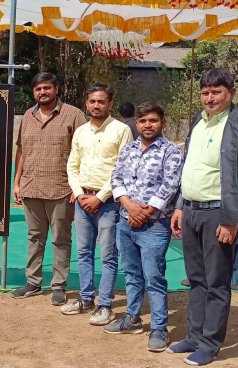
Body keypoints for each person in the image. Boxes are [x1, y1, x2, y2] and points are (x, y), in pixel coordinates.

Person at [168, 68, 238, 366]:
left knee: (216, 281)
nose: (210, 98)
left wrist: (232, 219)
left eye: (217, 92)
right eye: (206, 92)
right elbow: (189, 166)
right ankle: (194, 337)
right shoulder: (198, 121)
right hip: (192, 210)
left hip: (219, 214)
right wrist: (181, 205)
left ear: (231, 93)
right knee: (196, 279)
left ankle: (209, 345)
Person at [104, 102, 183, 352]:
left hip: (155, 225)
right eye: (143, 121)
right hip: (126, 222)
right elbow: (116, 178)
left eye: (153, 121)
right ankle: (132, 318)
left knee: (154, 277)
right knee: (131, 274)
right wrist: (129, 206)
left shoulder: (171, 151)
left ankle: (159, 328)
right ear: (136, 123)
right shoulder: (128, 149)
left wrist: (146, 211)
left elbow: (170, 185)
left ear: (163, 122)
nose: (148, 125)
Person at [10, 72, 87, 305]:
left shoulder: (73, 115)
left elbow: (85, 151)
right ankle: (33, 283)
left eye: (46, 88)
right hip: (31, 187)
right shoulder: (27, 116)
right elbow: (22, 150)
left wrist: (79, 186)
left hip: (62, 189)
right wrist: (17, 181)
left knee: (61, 239)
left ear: (56, 89)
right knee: (34, 237)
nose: (42, 92)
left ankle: (59, 285)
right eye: (38, 89)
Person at [63, 83, 132, 325]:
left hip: (109, 203)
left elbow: (122, 169)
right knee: (83, 252)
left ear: (110, 104)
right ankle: (85, 298)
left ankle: (105, 305)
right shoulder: (81, 131)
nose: (96, 105)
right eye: (92, 101)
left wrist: (100, 197)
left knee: (108, 255)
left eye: (101, 101)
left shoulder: (121, 130)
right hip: (82, 200)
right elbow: (72, 164)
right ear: (86, 103)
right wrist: (79, 193)